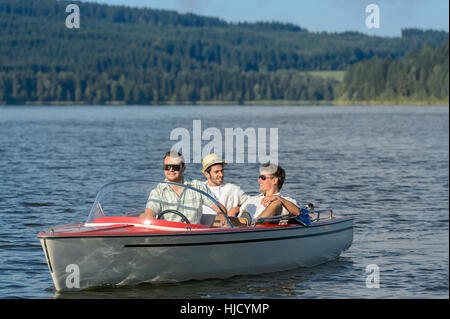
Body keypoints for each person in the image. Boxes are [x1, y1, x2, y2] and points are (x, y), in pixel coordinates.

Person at [141, 151, 228, 225]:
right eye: (167, 167)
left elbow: (221, 209)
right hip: (168, 235)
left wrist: (221, 216)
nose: (171, 170)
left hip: (194, 235)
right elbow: (149, 215)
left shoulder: (198, 187)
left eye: (175, 167)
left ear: (183, 168)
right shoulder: (158, 192)